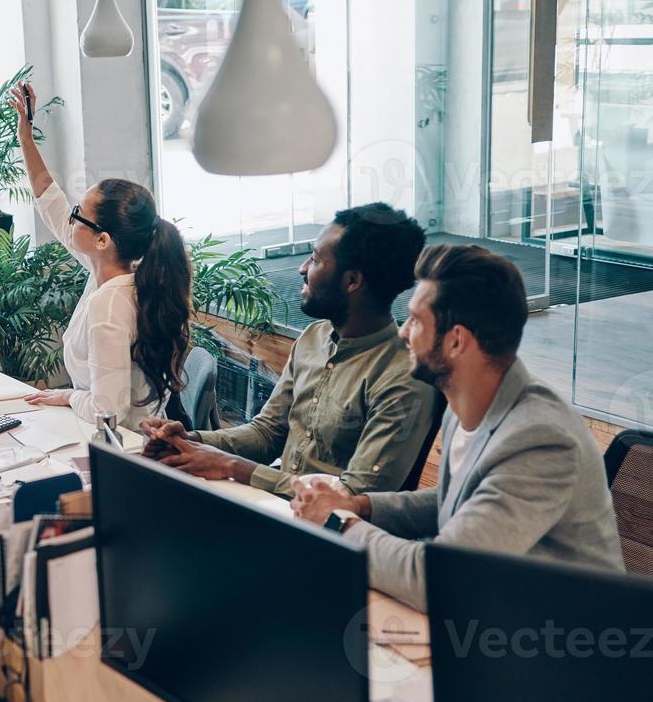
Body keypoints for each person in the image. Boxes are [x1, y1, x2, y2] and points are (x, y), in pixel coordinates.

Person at [292, 244, 625, 610]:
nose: (403, 333)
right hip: (493, 622)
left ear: (455, 341)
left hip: (563, 650)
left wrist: (339, 523)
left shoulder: (541, 439)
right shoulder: (464, 403)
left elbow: (440, 579)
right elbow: (457, 498)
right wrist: (360, 505)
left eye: (416, 320)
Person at [144, 203, 438, 498]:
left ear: (352, 281)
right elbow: (266, 433)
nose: (302, 268)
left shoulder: (403, 377)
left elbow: (357, 493)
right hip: (275, 510)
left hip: (334, 535)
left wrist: (233, 467)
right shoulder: (313, 338)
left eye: (315, 259)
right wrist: (191, 439)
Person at [8, 82, 194, 431]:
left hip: (128, 451)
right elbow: (51, 201)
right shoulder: (116, 274)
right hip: (121, 441)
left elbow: (107, 412)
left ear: (103, 240)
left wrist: (67, 396)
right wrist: (25, 136)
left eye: (79, 212)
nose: (71, 215)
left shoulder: (110, 302)